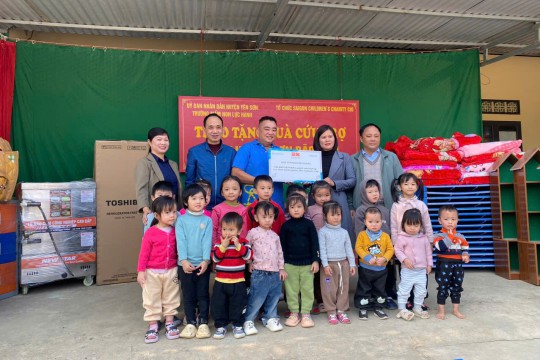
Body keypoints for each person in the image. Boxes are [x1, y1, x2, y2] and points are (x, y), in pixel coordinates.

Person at [349, 123, 403, 310]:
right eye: (368, 136)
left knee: (386, 248)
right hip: (363, 211)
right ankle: (367, 294)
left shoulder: (391, 158)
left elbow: (400, 184)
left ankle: (387, 293)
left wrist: (398, 206)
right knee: (366, 248)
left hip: (385, 209)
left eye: (376, 136)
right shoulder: (353, 160)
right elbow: (349, 186)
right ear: (361, 138)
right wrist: (351, 207)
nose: (372, 139)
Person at [137, 196, 181, 343]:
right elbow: (144, 253)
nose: (172, 215)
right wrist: (141, 271)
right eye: (168, 212)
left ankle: (169, 322)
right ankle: (153, 325)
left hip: (171, 270)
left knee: (171, 296)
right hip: (152, 272)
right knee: (151, 298)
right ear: (156, 215)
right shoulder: (150, 232)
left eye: (174, 212)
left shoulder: (176, 231)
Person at [390, 172, 434, 311]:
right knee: (405, 272)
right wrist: (395, 244)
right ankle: (407, 299)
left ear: (418, 186)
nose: (410, 187)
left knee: (422, 273)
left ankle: (419, 300)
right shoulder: (396, 205)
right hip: (403, 244)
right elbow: (393, 226)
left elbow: (427, 224)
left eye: (413, 184)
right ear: (399, 186)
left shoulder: (421, 205)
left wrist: (430, 241)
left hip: (420, 242)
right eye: (406, 184)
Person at [243, 201, 287, 336]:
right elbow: (247, 248)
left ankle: (270, 318)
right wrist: (249, 262)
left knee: (273, 296)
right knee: (256, 297)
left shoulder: (275, 236)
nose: (268, 220)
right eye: (264, 217)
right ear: (256, 218)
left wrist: (281, 268)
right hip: (259, 271)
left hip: (274, 272)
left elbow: (280, 252)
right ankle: (248, 320)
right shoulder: (253, 233)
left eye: (270, 217)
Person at [175, 184, 213, 339]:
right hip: (185, 265)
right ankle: (190, 322)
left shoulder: (207, 220)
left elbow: (207, 241)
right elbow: (181, 241)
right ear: (186, 201)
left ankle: (203, 322)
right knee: (189, 295)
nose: (198, 201)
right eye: (194, 198)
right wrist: (183, 261)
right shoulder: (181, 220)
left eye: (201, 198)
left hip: (202, 265)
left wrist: (206, 261)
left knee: (203, 294)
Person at [211, 213, 253, 339]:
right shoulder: (219, 243)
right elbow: (215, 258)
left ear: (239, 230)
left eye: (231, 230)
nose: (227, 233)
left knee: (238, 304)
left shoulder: (244, 243)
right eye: (224, 229)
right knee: (219, 304)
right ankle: (220, 326)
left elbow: (249, 257)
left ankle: (237, 324)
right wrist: (223, 247)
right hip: (220, 281)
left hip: (238, 280)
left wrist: (238, 246)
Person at [280, 194, 319, 328]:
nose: (296, 210)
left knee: (307, 289)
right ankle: (294, 313)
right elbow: (282, 247)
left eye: (299, 206)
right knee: (291, 290)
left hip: (307, 264)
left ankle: (306, 314)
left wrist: (315, 260)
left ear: (305, 209)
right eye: (292, 207)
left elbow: (315, 243)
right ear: (288, 209)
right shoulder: (285, 226)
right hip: (290, 264)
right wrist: (282, 265)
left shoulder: (309, 225)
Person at [312, 125, 356, 242]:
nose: (327, 140)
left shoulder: (344, 157)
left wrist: (334, 183)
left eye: (330, 136)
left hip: (338, 201)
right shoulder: (310, 158)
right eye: (323, 137)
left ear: (335, 139)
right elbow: (306, 181)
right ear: (318, 140)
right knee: (317, 237)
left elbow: (352, 180)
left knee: (340, 239)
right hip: (316, 203)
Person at [185, 113, 237, 210]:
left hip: (226, 205)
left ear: (222, 129)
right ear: (204, 130)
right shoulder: (194, 152)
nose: (215, 131)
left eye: (218, 127)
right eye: (211, 127)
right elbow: (189, 182)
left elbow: (235, 180)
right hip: (202, 206)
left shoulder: (231, 152)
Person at [232, 116, 284, 208]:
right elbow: (236, 173)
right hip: (251, 204)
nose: (270, 133)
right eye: (267, 129)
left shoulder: (281, 152)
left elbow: (287, 175)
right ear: (258, 131)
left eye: (274, 130)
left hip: (276, 205)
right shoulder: (247, 148)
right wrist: (260, 183)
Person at [318, 201, 356, 325]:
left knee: (343, 288)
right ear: (325, 216)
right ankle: (331, 311)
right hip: (329, 266)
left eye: (338, 214)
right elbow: (322, 250)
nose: (336, 217)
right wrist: (325, 265)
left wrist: (352, 264)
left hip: (343, 265)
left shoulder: (344, 232)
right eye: (333, 215)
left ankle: (341, 310)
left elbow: (349, 249)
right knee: (329, 288)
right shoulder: (323, 232)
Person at [135, 127, 182, 225]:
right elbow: (141, 189)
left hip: (174, 213)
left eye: (166, 140)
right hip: (157, 213)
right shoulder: (144, 163)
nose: (163, 143)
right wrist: (145, 208)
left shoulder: (173, 164)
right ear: (149, 142)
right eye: (159, 139)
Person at [355, 207, 394, 320]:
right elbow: (358, 247)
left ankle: (378, 307)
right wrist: (367, 257)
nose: (374, 224)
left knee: (379, 289)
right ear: (365, 222)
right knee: (364, 288)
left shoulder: (385, 236)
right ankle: (363, 307)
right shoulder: (362, 235)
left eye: (377, 222)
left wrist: (385, 259)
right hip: (366, 268)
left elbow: (390, 249)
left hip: (381, 270)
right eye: (370, 222)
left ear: (381, 221)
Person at [394, 209, 433, 321]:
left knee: (421, 290)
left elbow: (428, 252)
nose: (412, 228)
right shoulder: (401, 238)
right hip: (408, 270)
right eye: (409, 225)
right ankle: (402, 309)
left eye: (415, 225)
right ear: (403, 224)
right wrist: (405, 259)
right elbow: (397, 250)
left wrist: (429, 264)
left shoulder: (423, 237)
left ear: (420, 225)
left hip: (421, 270)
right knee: (404, 290)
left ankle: (417, 307)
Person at [433, 205, 470, 320]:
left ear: (457, 220)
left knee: (457, 286)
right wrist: (449, 236)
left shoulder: (460, 236)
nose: (450, 222)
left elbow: (465, 247)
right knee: (443, 287)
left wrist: (465, 255)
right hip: (444, 264)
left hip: (457, 265)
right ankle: (441, 310)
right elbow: (440, 247)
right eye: (446, 219)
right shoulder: (438, 236)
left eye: (453, 219)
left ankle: (455, 310)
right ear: (439, 220)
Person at [210, 176, 248, 245]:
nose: (231, 192)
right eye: (227, 189)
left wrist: (240, 245)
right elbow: (213, 229)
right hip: (220, 246)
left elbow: (244, 231)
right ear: (222, 192)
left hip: (237, 247)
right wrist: (215, 245)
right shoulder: (217, 209)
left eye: (234, 189)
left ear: (240, 192)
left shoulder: (244, 210)